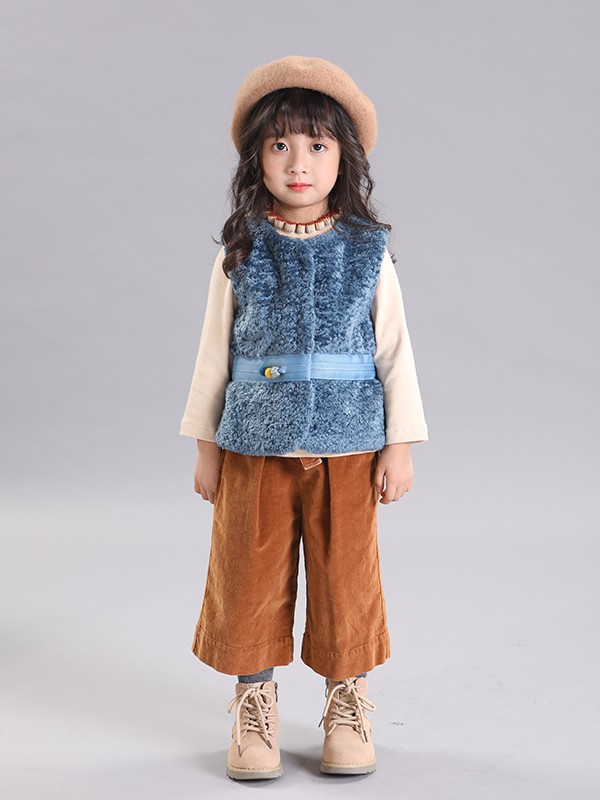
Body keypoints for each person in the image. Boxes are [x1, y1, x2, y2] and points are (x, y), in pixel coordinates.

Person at [179, 55, 429, 780]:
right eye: (280, 145)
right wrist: (206, 444)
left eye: (317, 145)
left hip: (350, 444)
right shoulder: (240, 250)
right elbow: (213, 354)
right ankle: (252, 706)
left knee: (347, 578)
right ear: (255, 158)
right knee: (247, 574)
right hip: (253, 443)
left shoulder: (368, 251)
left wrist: (401, 444)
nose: (298, 163)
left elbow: (395, 351)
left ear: (343, 157)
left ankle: (347, 704)